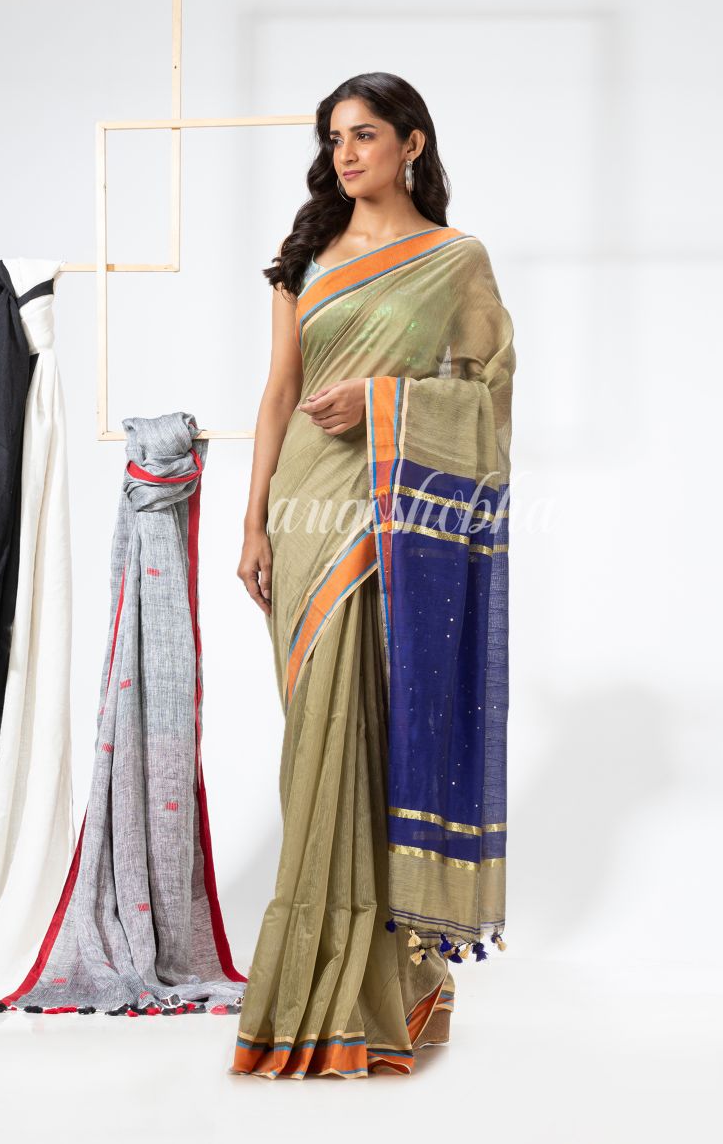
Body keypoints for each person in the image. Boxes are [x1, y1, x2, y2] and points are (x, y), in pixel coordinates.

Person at [230, 71, 515, 1080]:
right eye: (334, 139)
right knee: (316, 736)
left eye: (363, 135)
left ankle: (381, 987)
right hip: (306, 513)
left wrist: (384, 398)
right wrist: (254, 518)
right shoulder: (303, 258)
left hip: (391, 515)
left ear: (411, 143)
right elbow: (278, 392)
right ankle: (331, 985)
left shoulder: (455, 260)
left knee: (377, 732)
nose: (346, 154)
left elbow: (488, 393)